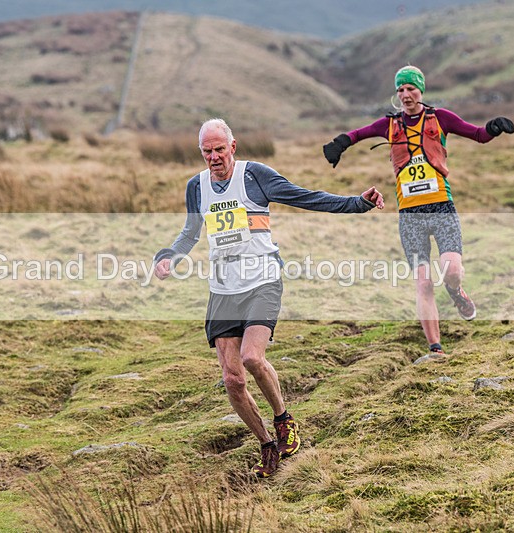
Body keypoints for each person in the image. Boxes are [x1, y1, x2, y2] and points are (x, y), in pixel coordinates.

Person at [154, 118, 384, 478]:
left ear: (233, 146)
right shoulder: (196, 187)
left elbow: (306, 197)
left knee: (251, 358)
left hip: (262, 278)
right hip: (223, 288)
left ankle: (283, 419)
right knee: (232, 380)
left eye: (219, 149)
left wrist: (357, 204)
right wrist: (168, 256)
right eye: (206, 151)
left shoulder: (254, 176)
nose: (213, 157)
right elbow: (189, 232)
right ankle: (265, 444)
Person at [322, 66, 514, 360]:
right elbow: (358, 133)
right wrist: (339, 144)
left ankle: (456, 292)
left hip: (442, 207)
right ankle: (435, 348)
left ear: (420, 90)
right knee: (424, 282)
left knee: (451, 270)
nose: (405, 95)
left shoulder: (441, 118)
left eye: (410, 89)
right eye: (400, 90)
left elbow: (477, 134)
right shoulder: (389, 124)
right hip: (410, 215)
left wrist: (494, 126)